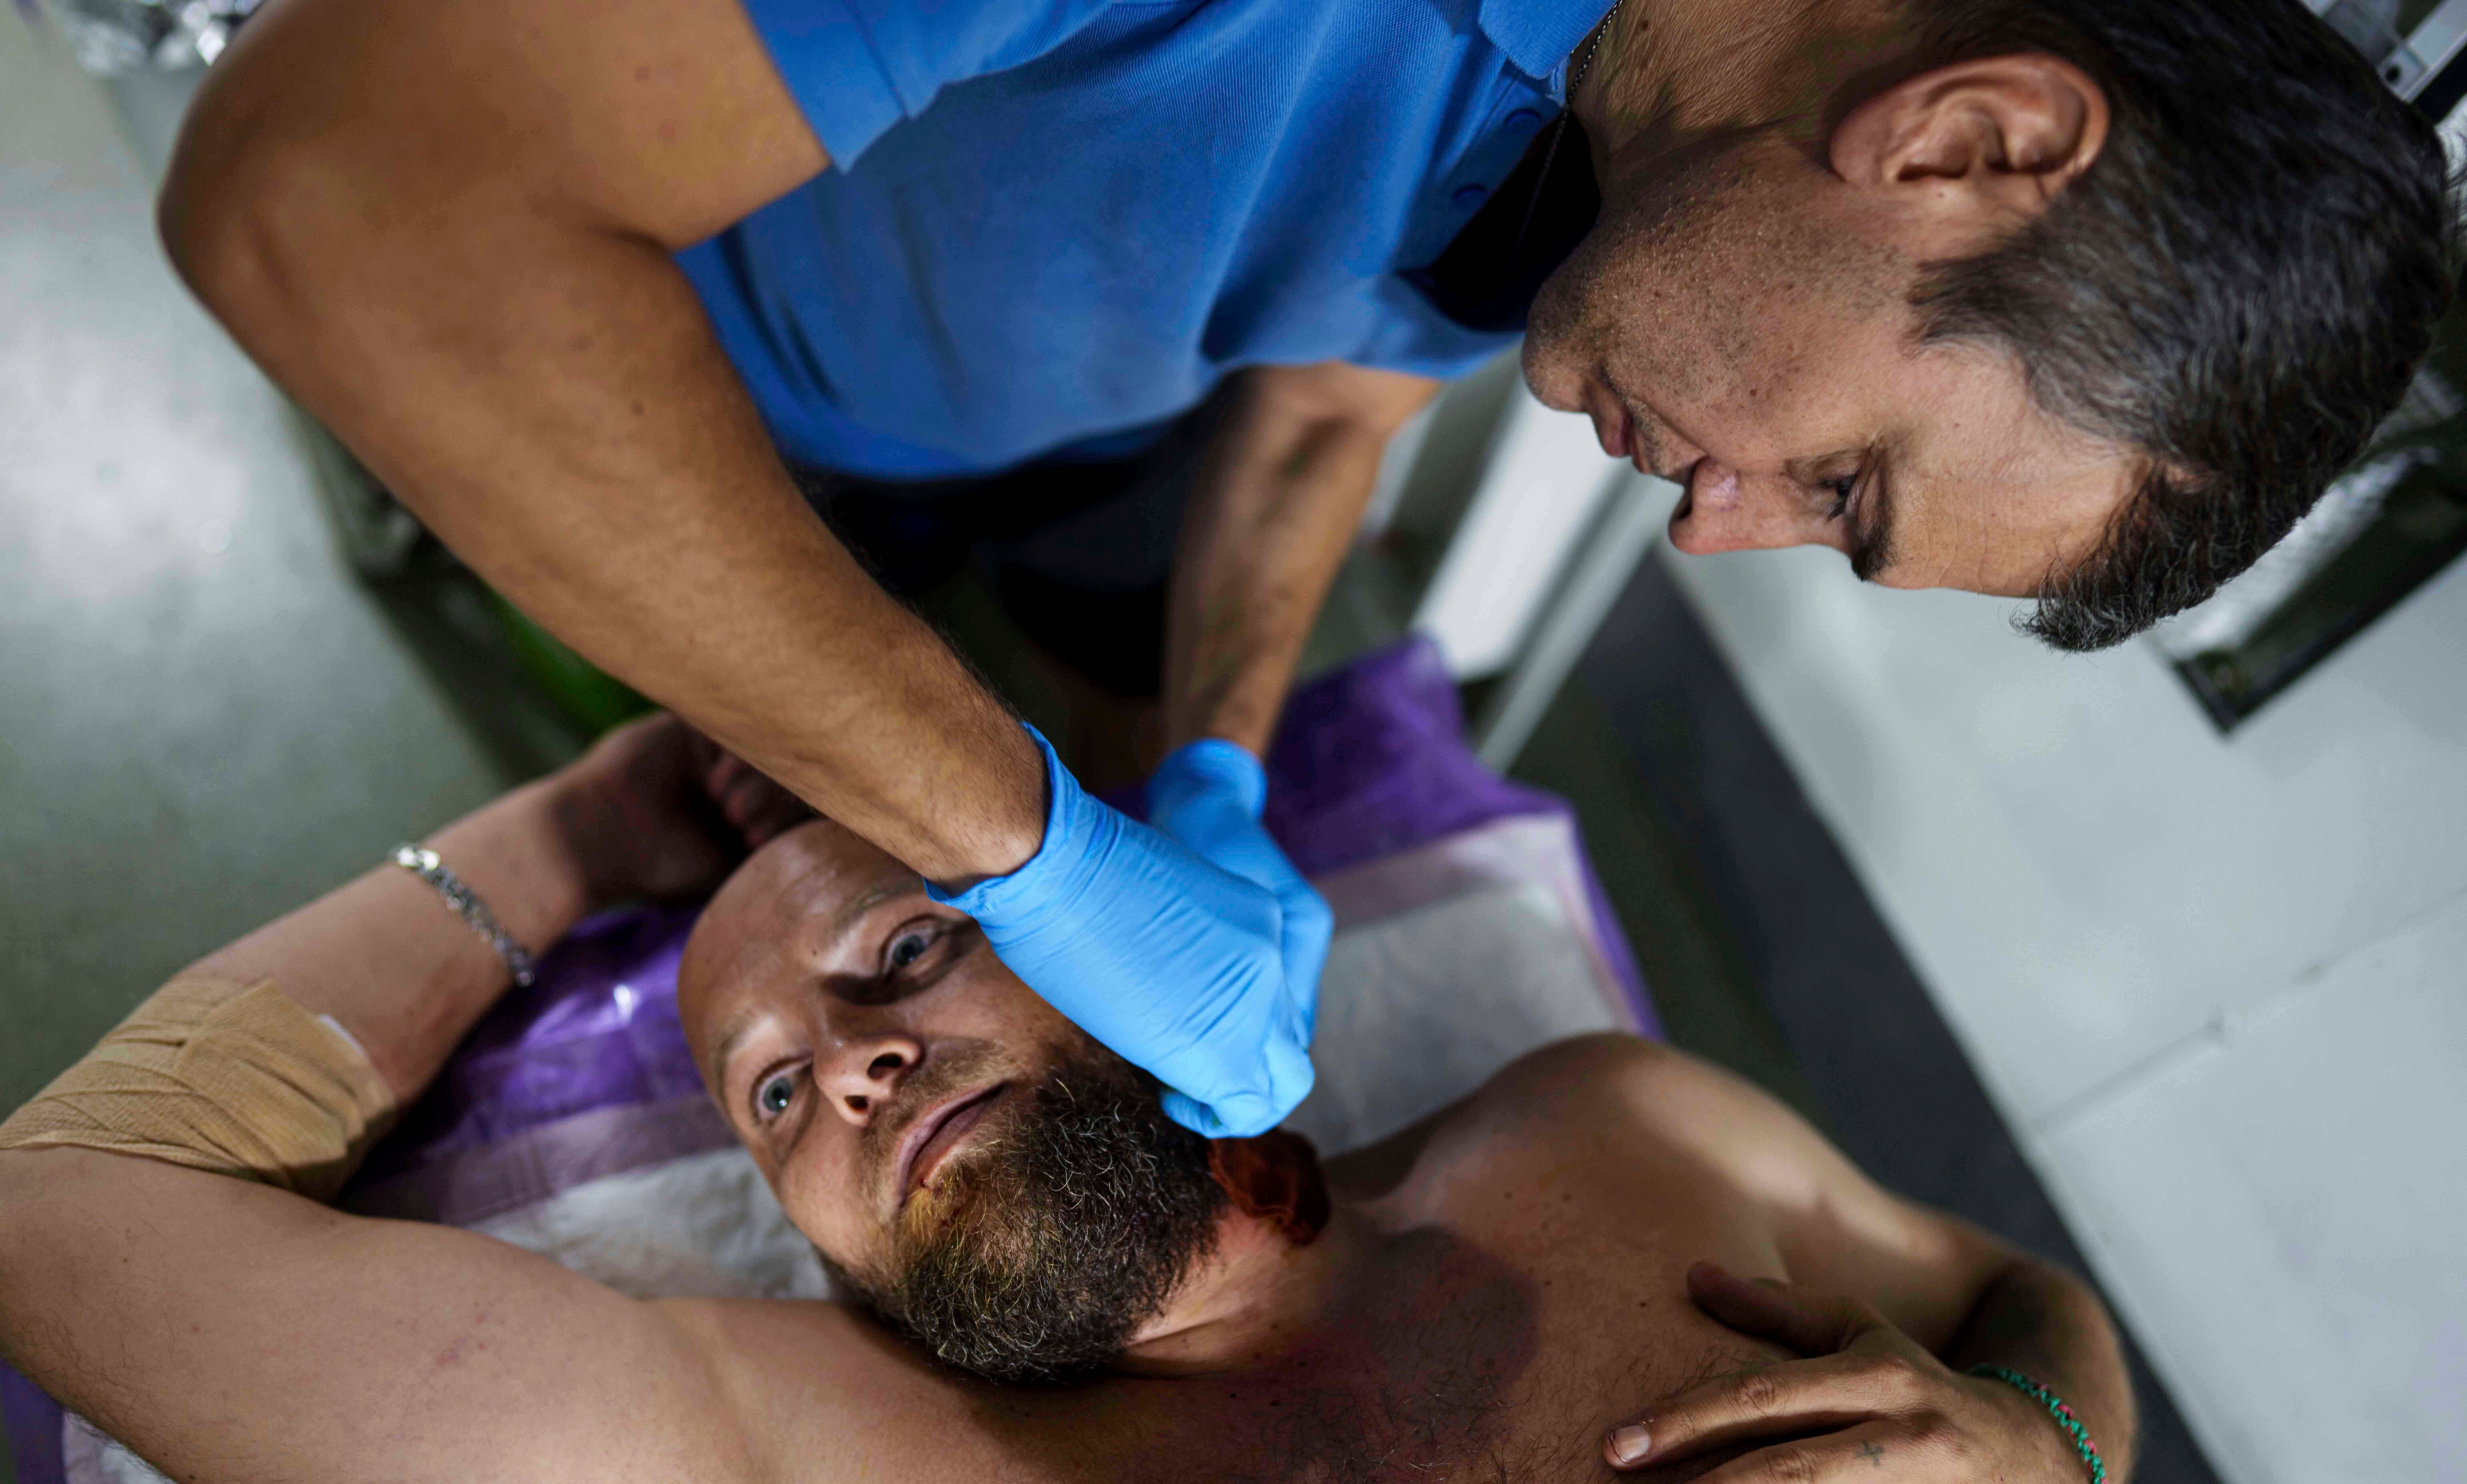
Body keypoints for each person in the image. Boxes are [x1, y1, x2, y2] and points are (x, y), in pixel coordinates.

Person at [150, 0, 2456, 1141]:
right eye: (1840, 480)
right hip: (639, 368)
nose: (1716, 523)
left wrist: (1220, 778)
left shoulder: (1644, 140)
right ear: (1963, 142)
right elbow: (339, 202)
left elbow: (1338, 392)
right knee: (662, 726)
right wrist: (1025, 840)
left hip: (1051, 391)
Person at [0, 717, 2135, 1484]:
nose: (846, 1066)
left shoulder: (1614, 1137)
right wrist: (570, 840)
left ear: (1131, 924)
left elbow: (2019, 1294)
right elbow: (66, 1205)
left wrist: (2047, 1460)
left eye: (905, 951)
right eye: (761, 1100)